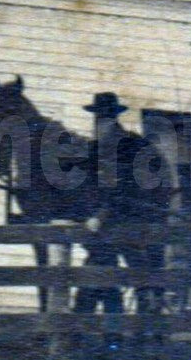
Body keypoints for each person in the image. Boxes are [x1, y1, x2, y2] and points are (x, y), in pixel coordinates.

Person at [73, 92, 171, 335]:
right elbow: (89, 185)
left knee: (139, 279)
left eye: (104, 117)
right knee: (99, 275)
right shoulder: (95, 148)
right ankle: (105, 336)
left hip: (135, 221)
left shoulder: (133, 146)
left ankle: (142, 334)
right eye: (96, 117)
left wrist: (100, 216)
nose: (99, 122)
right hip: (106, 225)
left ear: (113, 118)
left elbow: (124, 187)